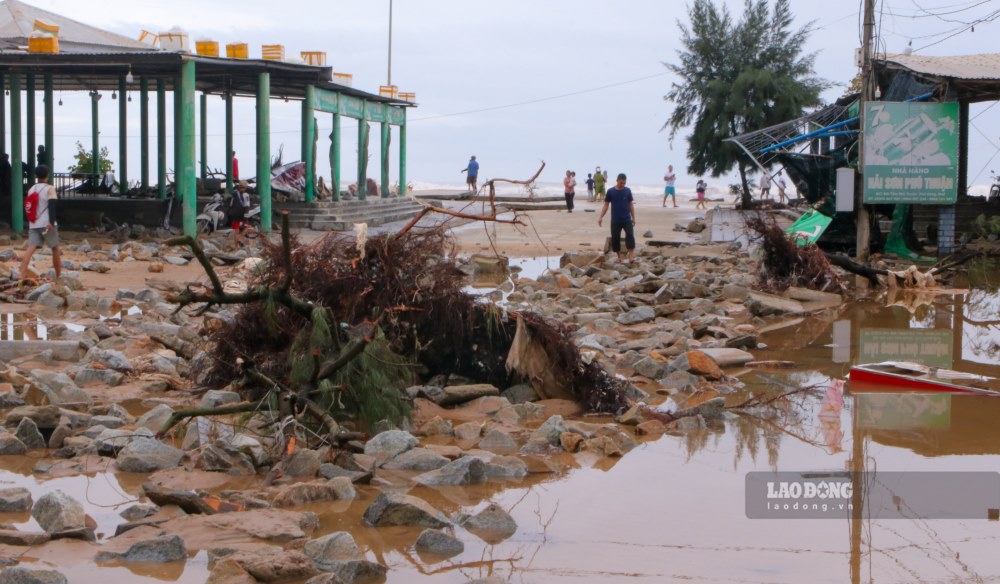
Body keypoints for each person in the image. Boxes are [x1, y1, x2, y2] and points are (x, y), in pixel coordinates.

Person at [19, 165, 61, 281]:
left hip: (34, 223)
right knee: (55, 248)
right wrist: (51, 222)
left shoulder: (31, 189)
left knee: (30, 248)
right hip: (47, 223)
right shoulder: (50, 188)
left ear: (36, 176)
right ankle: (59, 276)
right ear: (48, 175)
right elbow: (52, 206)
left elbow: (29, 207)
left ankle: (21, 273)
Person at [598, 173, 637, 264]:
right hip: (615, 220)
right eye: (621, 183)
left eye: (624, 183)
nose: (622, 185)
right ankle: (619, 257)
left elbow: (630, 204)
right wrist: (600, 217)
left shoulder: (627, 191)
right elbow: (606, 205)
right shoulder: (611, 191)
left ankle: (631, 256)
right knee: (615, 238)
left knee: (630, 235)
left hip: (627, 219)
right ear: (617, 180)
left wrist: (633, 217)